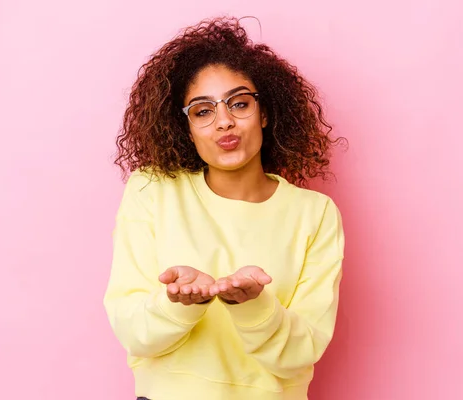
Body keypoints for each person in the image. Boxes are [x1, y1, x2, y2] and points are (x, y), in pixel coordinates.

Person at [103, 16, 346, 400]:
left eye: (239, 103)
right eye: (202, 111)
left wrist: (252, 304)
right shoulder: (152, 191)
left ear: (264, 113)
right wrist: (178, 303)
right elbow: (132, 330)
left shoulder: (315, 214)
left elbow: (303, 351)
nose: (225, 122)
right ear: (185, 128)